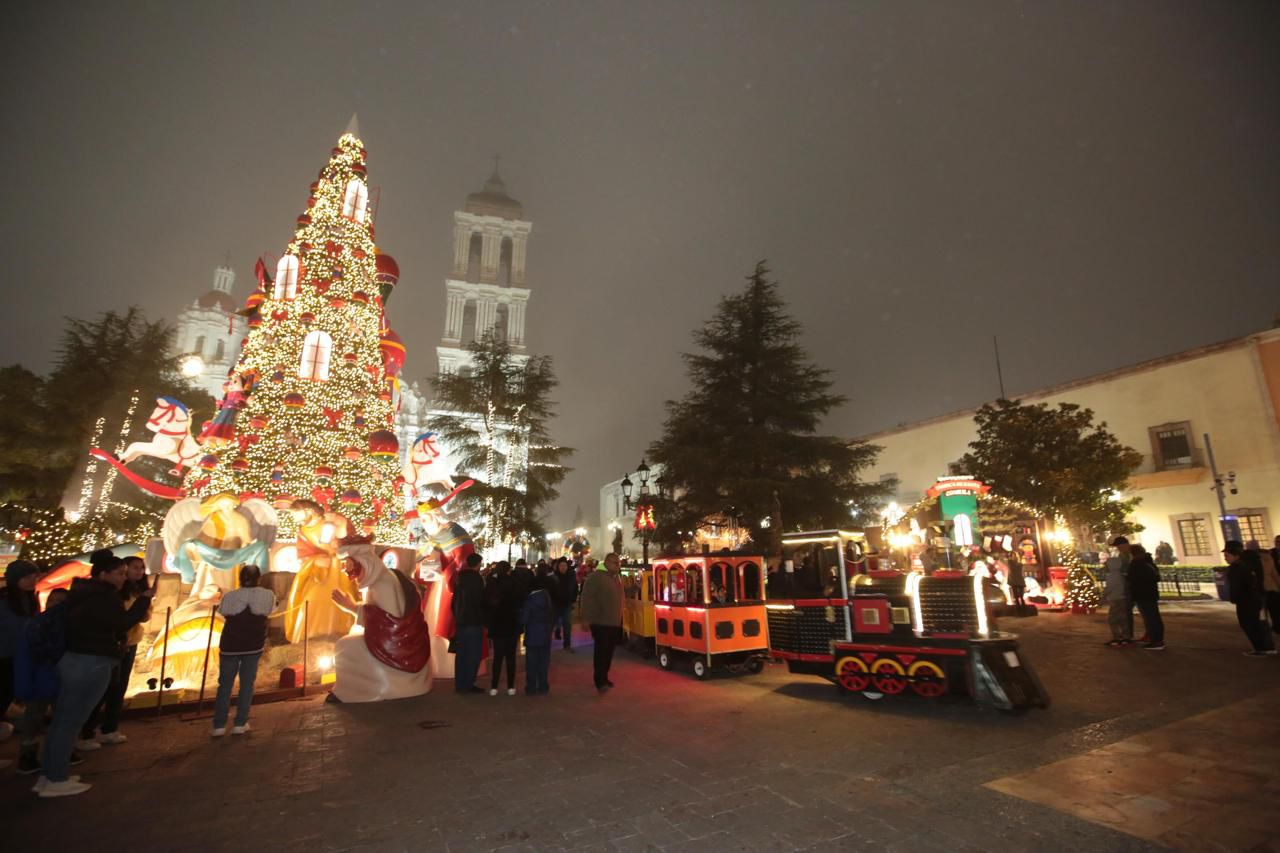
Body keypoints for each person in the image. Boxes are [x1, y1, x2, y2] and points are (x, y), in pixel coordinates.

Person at [37, 552, 153, 797]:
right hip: (92, 660)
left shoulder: (82, 593)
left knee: (63, 719)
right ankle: (57, 778)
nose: (124, 578)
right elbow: (121, 622)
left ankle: (49, 774)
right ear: (103, 574)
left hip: (75, 658)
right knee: (71, 720)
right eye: (119, 573)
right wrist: (143, 600)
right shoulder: (102, 597)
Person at [81, 555, 151, 747]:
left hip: (129, 642)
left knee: (118, 688)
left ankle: (109, 728)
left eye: (141, 568)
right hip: (112, 644)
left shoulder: (136, 590)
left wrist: (144, 605)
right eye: (130, 569)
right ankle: (86, 732)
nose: (138, 572)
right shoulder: (111, 595)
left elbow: (140, 617)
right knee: (103, 689)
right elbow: (122, 621)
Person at [211, 564, 274, 736]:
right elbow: (270, 610)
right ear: (258, 578)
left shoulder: (230, 596)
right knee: (247, 684)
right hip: (252, 644)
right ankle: (240, 722)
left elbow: (222, 611)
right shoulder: (266, 595)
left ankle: (219, 725)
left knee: (224, 685)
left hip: (230, 644)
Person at [0, 560, 42, 768]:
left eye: (34, 577)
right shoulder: (5, 601)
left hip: (23, 657)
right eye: (27, 577)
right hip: (5, 658)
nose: (32, 581)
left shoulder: (30, 600)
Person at [579, 553, 624, 694]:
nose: (618, 566)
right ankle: (599, 680)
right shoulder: (595, 577)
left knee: (609, 652)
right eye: (615, 563)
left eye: (618, 563)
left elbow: (620, 595)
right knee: (601, 652)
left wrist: (635, 587)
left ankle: (604, 677)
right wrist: (586, 618)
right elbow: (586, 598)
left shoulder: (615, 578)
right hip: (600, 622)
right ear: (606, 563)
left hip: (614, 622)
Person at [1224, 541, 1276, 656]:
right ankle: (1267, 647)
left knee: (1249, 623)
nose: (1225, 558)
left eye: (1227, 555)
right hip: (1257, 596)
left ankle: (1261, 648)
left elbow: (1237, 586)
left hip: (1246, 600)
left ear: (1236, 555)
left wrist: (1234, 598)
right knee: (1260, 622)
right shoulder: (1253, 561)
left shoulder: (1237, 567)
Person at [484, 561, 521, 696]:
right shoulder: (513, 582)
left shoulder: (493, 583)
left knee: (498, 657)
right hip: (511, 624)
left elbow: (488, 601)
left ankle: (494, 686)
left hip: (497, 624)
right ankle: (511, 687)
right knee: (511, 657)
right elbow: (518, 600)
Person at [451, 552, 486, 693]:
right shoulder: (477, 579)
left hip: (461, 621)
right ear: (478, 564)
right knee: (473, 654)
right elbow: (481, 601)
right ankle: (468, 684)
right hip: (474, 621)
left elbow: (454, 602)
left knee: (462, 654)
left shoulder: (460, 578)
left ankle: (460, 683)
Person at [521, 574, 555, 694]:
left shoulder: (530, 600)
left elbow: (524, 618)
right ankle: (543, 685)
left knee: (531, 663)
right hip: (545, 634)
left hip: (532, 634)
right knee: (544, 662)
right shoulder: (547, 598)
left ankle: (531, 687)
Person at [1127, 544, 1164, 650]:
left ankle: (1157, 641)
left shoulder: (1139, 563)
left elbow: (1135, 578)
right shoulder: (1147, 562)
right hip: (1147, 593)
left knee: (1151, 617)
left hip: (1144, 594)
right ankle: (1152, 637)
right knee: (1151, 617)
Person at [1103, 538, 1132, 647]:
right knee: (1123, 618)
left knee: (1113, 619)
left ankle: (1117, 637)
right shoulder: (1120, 575)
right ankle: (1126, 637)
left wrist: (1103, 595)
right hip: (1122, 598)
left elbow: (1109, 588)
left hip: (1115, 599)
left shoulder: (1112, 576)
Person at [1246, 540, 1280, 633]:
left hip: (1260, 588)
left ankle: (1264, 629)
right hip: (1272, 587)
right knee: (1275, 610)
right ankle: (1277, 627)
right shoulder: (1268, 556)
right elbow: (1274, 573)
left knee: (1261, 611)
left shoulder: (1250, 558)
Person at [552, 557, 578, 652]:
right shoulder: (553, 577)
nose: (563, 567)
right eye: (561, 566)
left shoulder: (571, 577)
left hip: (566, 604)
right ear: (557, 567)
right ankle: (546, 643)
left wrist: (573, 600)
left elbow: (575, 588)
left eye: (565, 566)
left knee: (567, 624)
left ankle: (567, 645)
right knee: (551, 624)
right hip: (555, 604)